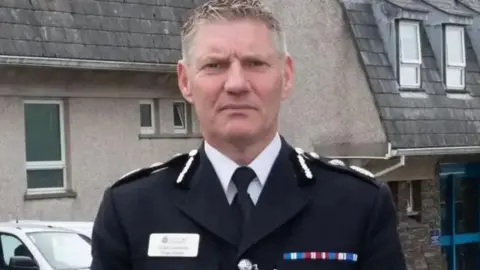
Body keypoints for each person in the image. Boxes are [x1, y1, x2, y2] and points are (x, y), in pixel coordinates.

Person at [90, 0, 406, 269]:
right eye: (215, 65)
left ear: (286, 76)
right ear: (185, 81)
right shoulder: (132, 209)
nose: (237, 83)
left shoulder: (358, 204)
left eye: (255, 63)